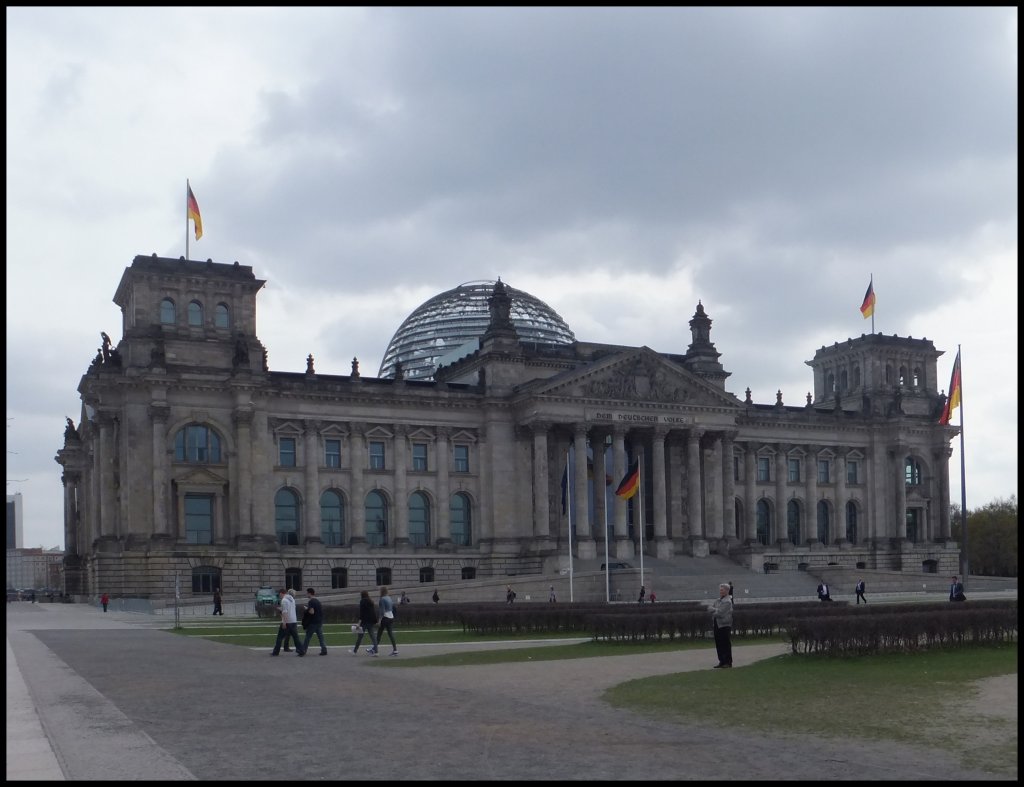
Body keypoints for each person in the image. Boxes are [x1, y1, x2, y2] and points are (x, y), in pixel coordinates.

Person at [271, 587, 305, 656]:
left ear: (281, 593)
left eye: (279, 594)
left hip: (287, 621)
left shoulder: (284, 600)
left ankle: (275, 652)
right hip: (293, 621)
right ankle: (301, 650)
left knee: (279, 637)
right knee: (296, 638)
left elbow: (285, 612)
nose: (279, 596)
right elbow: (290, 609)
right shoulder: (291, 599)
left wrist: (284, 622)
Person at [711, 582, 733, 668]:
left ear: (727, 591)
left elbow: (719, 613)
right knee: (718, 643)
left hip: (725, 624)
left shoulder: (727, 601)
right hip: (717, 623)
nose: (720, 591)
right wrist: (714, 610)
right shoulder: (718, 600)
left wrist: (714, 610)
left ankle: (728, 662)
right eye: (720, 590)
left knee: (725, 643)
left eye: (722, 590)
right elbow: (711, 608)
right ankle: (722, 661)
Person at [301, 587, 328, 655]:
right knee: (320, 637)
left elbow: (312, 612)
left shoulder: (311, 601)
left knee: (308, 637)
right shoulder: (317, 601)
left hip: (313, 622)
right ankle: (324, 650)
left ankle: (303, 650)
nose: (306, 594)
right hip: (319, 621)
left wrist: (306, 609)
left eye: (307, 593)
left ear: (310, 593)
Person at [352, 590, 379, 655]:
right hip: (371, 621)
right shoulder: (371, 601)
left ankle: (355, 651)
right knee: (373, 637)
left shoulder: (362, 601)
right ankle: (376, 651)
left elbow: (362, 613)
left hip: (364, 621)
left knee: (360, 637)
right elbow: (373, 612)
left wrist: (359, 623)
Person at [375, 586, 398, 656]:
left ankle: (375, 650)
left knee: (379, 634)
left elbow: (382, 611)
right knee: (391, 634)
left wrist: (379, 621)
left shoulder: (382, 599)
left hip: (385, 618)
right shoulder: (389, 598)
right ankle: (395, 650)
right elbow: (393, 608)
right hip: (391, 617)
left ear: (382, 591)